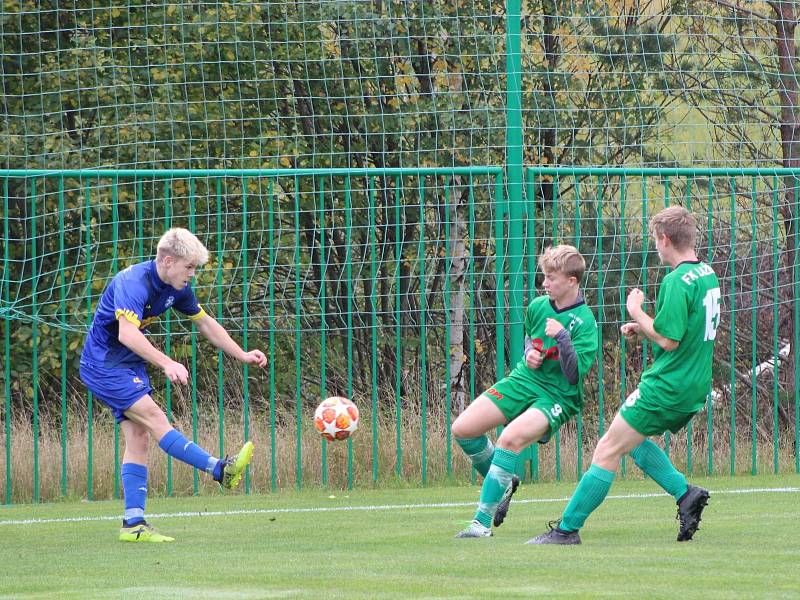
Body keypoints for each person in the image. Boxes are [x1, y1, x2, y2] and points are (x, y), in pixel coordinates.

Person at [528, 206, 720, 545]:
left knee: (607, 448)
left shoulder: (676, 280)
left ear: (664, 239)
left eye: (654, 241)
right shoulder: (706, 273)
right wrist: (643, 329)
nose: (655, 247)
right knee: (631, 441)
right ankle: (685, 494)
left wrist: (636, 311)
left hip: (667, 385)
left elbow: (669, 340)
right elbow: (683, 330)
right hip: (694, 383)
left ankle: (566, 530)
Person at [79, 227, 267, 542]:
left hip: (127, 364)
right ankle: (219, 469)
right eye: (189, 267)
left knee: (139, 436)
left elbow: (206, 323)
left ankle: (133, 525)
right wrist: (167, 362)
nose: (192, 274)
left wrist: (242, 354)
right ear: (167, 260)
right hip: (103, 364)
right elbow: (127, 333)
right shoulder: (133, 283)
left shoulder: (177, 288)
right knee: (154, 419)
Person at [452, 245, 599, 537]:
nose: (544, 283)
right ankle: (504, 484)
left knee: (509, 439)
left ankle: (480, 524)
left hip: (557, 394)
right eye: (544, 277)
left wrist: (563, 337)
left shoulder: (585, 322)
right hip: (524, 380)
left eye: (551, 278)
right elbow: (532, 342)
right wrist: (530, 353)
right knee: (463, 429)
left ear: (572, 281)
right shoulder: (538, 306)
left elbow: (573, 374)